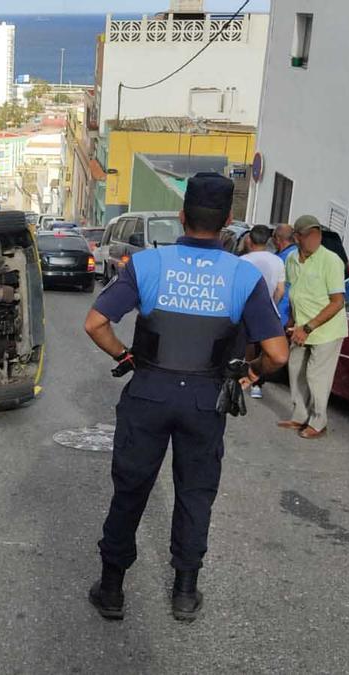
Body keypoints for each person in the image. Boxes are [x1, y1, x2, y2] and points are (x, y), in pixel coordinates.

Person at [83, 173, 289, 622]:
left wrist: (128, 356)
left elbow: (95, 323)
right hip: (205, 398)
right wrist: (249, 377)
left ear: (182, 216)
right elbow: (277, 352)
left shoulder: (148, 264)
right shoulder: (243, 274)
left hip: (150, 392)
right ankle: (184, 592)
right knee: (195, 494)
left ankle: (113, 588)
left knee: (130, 490)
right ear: (228, 221)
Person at [280, 215, 348, 440]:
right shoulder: (291, 259)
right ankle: (300, 415)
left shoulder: (331, 260)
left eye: (317, 233)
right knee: (296, 369)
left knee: (316, 376)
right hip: (301, 327)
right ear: (297, 237)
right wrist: (291, 323)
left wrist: (308, 327)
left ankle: (319, 422)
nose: (314, 238)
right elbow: (294, 292)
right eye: (309, 234)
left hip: (325, 330)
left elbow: (337, 302)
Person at [241, 225, 286, 400]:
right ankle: (257, 385)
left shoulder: (244, 260)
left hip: (247, 309)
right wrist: (272, 305)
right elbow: (280, 290)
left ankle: (244, 376)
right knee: (266, 350)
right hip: (269, 309)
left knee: (248, 345)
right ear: (268, 241)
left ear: (249, 240)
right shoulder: (277, 261)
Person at [273, 224, 297, 328]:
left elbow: (278, 289)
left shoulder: (281, 259)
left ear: (278, 239)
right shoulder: (300, 254)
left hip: (281, 313)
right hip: (295, 315)